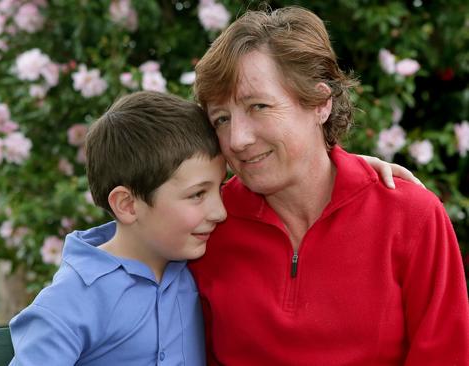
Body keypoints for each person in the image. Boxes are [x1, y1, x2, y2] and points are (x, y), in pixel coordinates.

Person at [188, 6, 469, 365]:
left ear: (321, 103)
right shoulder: (206, 224)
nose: (237, 139)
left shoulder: (411, 216)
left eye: (258, 106)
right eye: (221, 118)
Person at [8, 91, 226, 365]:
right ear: (127, 205)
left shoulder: (194, 268)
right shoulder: (73, 299)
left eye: (221, 187)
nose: (221, 211)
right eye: (197, 195)